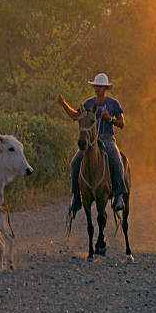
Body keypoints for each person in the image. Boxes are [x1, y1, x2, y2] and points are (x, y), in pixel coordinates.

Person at [57, 73, 127, 214]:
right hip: (90, 140)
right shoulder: (88, 103)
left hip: (107, 138)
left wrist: (110, 119)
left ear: (105, 88)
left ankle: (119, 194)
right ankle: (77, 196)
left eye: (100, 86)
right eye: (96, 86)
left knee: (116, 158)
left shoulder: (113, 103)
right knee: (74, 163)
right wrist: (64, 104)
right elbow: (75, 116)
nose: (98, 88)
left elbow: (122, 123)